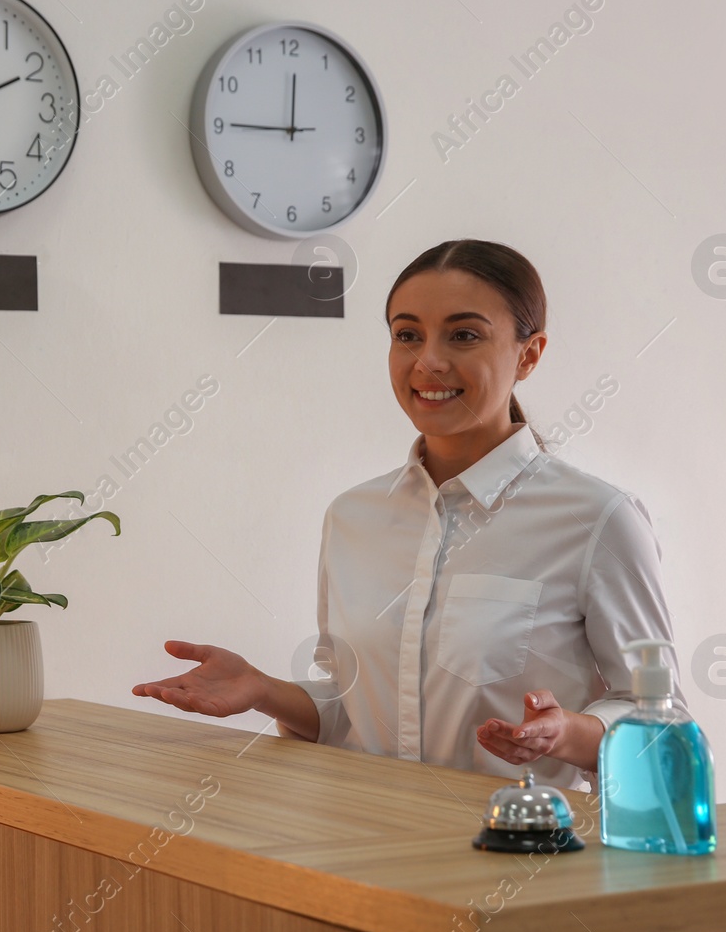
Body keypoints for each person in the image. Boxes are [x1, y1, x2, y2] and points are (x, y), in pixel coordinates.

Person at [131, 239, 687, 792]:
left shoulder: (598, 519)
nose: (428, 362)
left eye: (464, 335)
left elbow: (662, 722)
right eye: (407, 335)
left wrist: (566, 733)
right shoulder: (353, 517)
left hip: (519, 855)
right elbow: (354, 711)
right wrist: (264, 690)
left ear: (529, 354)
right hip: (365, 843)